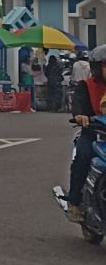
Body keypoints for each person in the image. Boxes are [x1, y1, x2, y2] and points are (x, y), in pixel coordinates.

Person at [68, 45, 106, 222]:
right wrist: (80, 116)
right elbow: (78, 105)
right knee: (82, 157)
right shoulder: (86, 86)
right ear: (97, 67)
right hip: (93, 135)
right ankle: (74, 202)